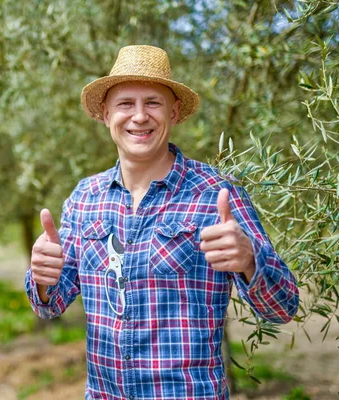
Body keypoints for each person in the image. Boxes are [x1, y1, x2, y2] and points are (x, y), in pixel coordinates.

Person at [24, 45, 299, 400]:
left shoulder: (215, 194)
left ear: (175, 111)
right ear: (106, 114)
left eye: (152, 102)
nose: (139, 116)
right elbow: (50, 305)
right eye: (126, 104)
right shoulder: (84, 197)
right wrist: (43, 279)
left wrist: (249, 260)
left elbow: (283, 307)